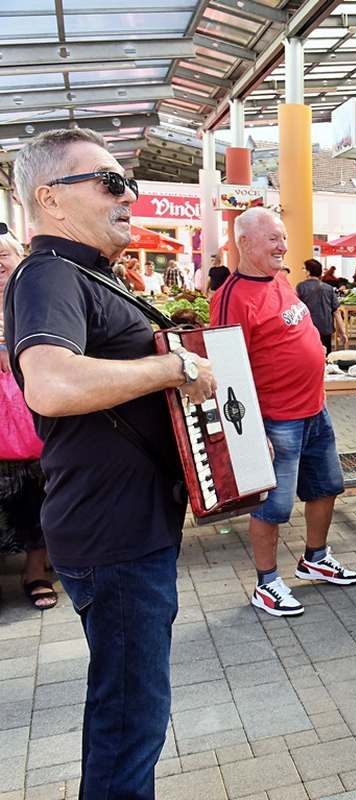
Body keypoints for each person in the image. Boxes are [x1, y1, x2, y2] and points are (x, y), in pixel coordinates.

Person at [5, 128, 216, 797]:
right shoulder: (46, 274)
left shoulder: (88, 276)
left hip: (129, 530)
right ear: (50, 200)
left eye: (128, 180)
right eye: (109, 181)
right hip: (112, 535)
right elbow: (52, 384)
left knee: (132, 714)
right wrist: (175, 367)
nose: (129, 192)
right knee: (130, 723)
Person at [211, 207, 356, 618]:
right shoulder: (230, 299)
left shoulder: (280, 279)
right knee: (272, 508)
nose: (283, 245)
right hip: (276, 421)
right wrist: (251, 435)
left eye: (283, 237)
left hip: (315, 410)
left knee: (326, 487)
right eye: (273, 238)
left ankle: (315, 557)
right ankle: (267, 583)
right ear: (244, 243)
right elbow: (226, 373)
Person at [0, 228, 56, 611]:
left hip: (33, 415)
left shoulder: (32, 293)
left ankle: (36, 570)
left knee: (40, 492)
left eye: (2, 255)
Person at [296, 258, 341, 354]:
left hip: (308, 329)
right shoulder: (328, 288)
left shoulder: (301, 287)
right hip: (326, 329)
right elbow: (336, 312)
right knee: (326, 357)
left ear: (308, 272)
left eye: (304, 269)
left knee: (309, 355)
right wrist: (342, 332)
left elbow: (296, 310)